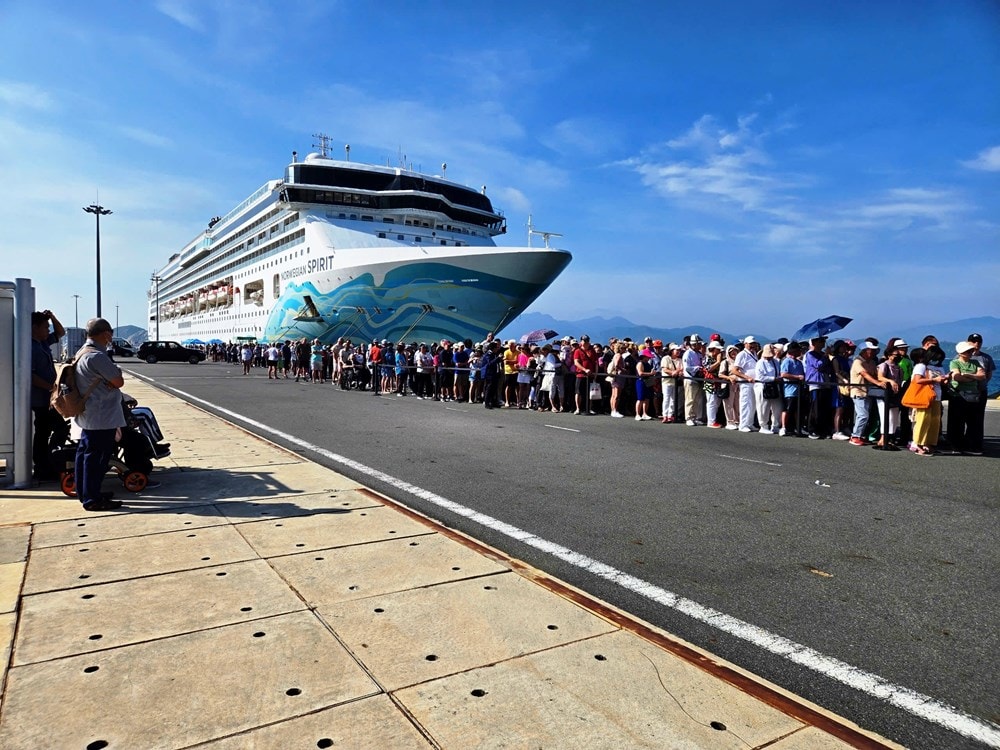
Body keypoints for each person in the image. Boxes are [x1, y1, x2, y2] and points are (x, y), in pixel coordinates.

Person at [73, 318, 127, 511]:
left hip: (90, 414)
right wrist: (115, 376)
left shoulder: (82, 352)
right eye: (110, 333)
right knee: (97, 458)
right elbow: (118, 381)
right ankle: (92, 499)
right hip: (101, 415)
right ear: (106, 334)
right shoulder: (97, 356)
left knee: (85, 454)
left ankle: (85, 492)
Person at [30, 310, 66, 481]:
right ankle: (49, 463)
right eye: (45, 327)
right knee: (58, 428)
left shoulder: (42, 343)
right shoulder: (31, 347)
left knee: (44, 432)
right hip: (41, 399)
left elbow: (60, 333)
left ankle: (44, 466)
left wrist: (52, 317)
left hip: (48, 398)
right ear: (34, 328)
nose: (47, 330)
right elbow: (32, 376)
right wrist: (52, 389)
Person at [908, 346, 949, 456]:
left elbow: (941, 382)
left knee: (934, 422)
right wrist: (934, 379)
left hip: (936, 397)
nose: (937, 360)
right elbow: (917, 380)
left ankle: (929, 443)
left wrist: (945, 380)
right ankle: (918, 443)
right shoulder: (921, 366)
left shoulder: (939, 368)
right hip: (924, 397)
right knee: (922, 420)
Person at [948, 341, 986, 455]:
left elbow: (982, 376)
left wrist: (968, 375)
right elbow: (957, 377)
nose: (971, 353)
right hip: (958, 395)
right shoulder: (954, 363)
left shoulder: (975, 362)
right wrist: (974, 377)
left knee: (974, 422)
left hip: (973, 395)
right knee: (957, 422)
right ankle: (956, 446)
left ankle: (972, 446)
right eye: (968, 351)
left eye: (971, 351)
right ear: (961, 353)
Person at [732, 336, 760, 432]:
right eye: (750, 343)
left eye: (753, 343)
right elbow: (735, 370)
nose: (752, 345)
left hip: (753, 382)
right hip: (745, 383)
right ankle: (743, 424)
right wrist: (747, 377)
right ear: (745, 344)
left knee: (753, 404)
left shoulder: (754, 353)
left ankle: (749, 423)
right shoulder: (742, 355)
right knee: (745, 403)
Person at [754, 343, 782, 434]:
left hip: (774, 386)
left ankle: (775, 425)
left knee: (777, 407)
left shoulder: (776, 362)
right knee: (763, 407)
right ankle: (763, 425)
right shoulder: (760, 363)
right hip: (763, 386)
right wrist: (773, 378)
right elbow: (760, 377)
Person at [779, 341, 805, 436]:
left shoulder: (799, 362)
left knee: (797, 410)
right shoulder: (787, 361)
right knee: (787, 409)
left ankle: (796, 427)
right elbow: (783, 374)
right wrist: (797, 377)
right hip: (789, 390)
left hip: (798, 390)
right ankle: (784, 427)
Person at [682, 335, 706, 426]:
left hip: (698, 379)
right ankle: (688, 417)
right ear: (694, 344)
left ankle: (694, 417)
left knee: (696, 400)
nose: (700, 345)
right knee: (690, 399)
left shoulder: (699, 354)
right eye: (699, 344)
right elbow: (687, 367)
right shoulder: (688, 353)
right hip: (690, 379)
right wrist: (697, 368)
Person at [572, 335, 599, 415]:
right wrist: (584, 369)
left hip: (590, 375)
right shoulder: (578, 351)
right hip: (580, 374)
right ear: (581, 341)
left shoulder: (592, 350)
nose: (585, 343)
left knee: (590, 392)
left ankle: (589, 408)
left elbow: (595, 362)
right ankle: (578, 408)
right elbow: (576, 362)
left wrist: (595, 374)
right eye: (583, 341)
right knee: (578, 392)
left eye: (586, 341)